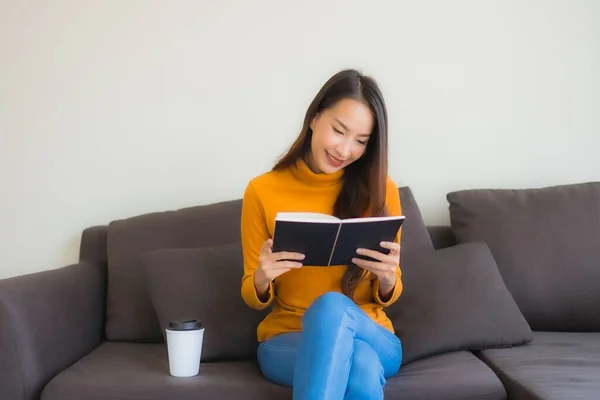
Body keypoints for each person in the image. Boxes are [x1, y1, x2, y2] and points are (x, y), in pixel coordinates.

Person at [240, 69, 403, 399]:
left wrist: (388, 279)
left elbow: (390, 292)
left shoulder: (382, 190)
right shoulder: (262, 191)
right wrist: (261, 277)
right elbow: (250, 292)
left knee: (332, 307)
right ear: (314, 117)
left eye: (360, 141)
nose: (345, 150)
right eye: (339, 131)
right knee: (362, 366)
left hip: (371, 332)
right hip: (287, 337)